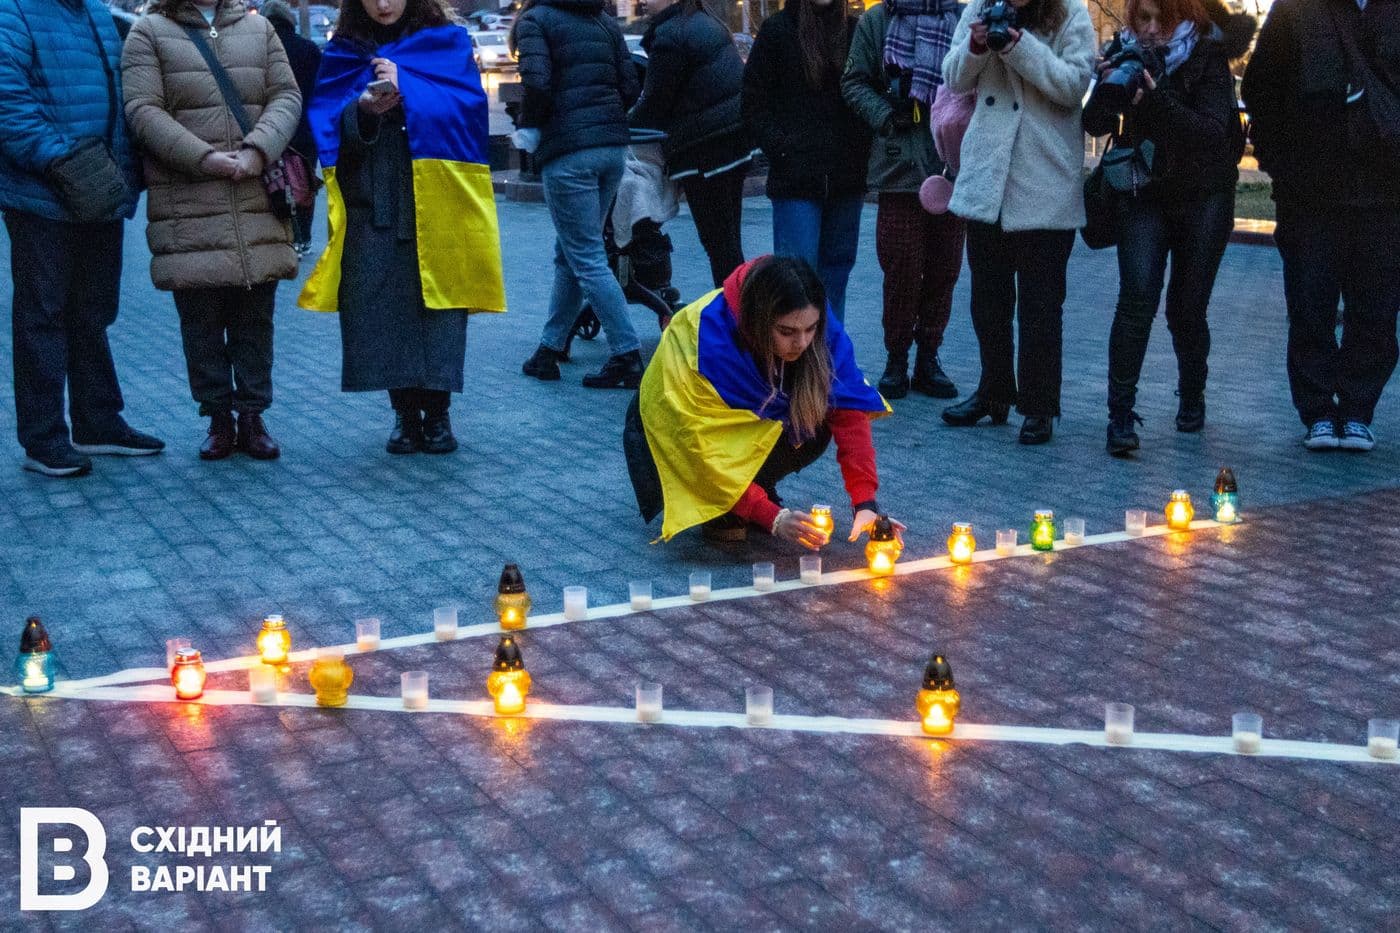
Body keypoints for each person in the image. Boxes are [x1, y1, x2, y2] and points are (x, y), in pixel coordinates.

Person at [298, 0, 506, 453]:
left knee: (440, 310)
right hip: (374, 200)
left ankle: (439, 414)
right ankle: (405, 415)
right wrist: (364, 111)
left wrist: (407, 85)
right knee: (382, 309)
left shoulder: (447, 43)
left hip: (440, 199)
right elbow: (326, 123)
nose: (383, 4)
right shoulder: (344, 51)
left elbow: (468, 110)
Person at [122, 0, 302, 461]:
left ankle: (253, 417)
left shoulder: (259, 29)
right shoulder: (149, 31)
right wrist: (204, 158)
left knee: (255, 321)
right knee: (200, 324)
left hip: (255, 198)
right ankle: (219, 418)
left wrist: (257, 150)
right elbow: (142, 110)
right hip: (188, 203)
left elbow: (286, 96)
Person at [624, 255, 901, 548]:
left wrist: (865, 502)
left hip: (742, 427)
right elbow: (696, 448)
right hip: (663, 437)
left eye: (811, 329)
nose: (801, 343)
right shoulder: (705, 339)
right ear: (758, 320)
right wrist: (769, 516)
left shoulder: (814, 320)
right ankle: (725, 507)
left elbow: (848, 410)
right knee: (720, 470)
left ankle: (751, 489)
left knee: (816, 421)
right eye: (786, 332)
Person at [0, 0, 164, 477]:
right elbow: (8, 102)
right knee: (43, 317)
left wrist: (119, 174)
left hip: (99, 188)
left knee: (93, 313)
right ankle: (43, 438)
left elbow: (119, 96)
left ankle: (98, 422)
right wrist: (62, 162)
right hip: (44, 193)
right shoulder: (13, 11)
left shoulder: (94, 11)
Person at [1084, 0, 1254, 455]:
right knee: (1136, 298)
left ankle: (1192, 393)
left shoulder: (1207, 56)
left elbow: (1212, 133)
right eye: (1143, 18)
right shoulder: (1126, 54)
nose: (1152, 28)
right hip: (1145, 192)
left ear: (1187, 16)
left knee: (1186, 308)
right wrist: (1106, 84)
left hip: (1204, 196)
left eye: (1164, 18)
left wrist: (1154, 99)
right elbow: (1093, 124)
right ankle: (1120, 416)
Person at [1242, 0, 1400, 453]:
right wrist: (1280, 163)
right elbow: (1261, 86)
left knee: (1376, 309)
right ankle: (1317, 411)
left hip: (1384, 190)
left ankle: (1357, 409)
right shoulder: (1297, 10)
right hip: (1311, 192)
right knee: (1310, 303)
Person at [939, 0, 1095, 444]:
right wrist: (975, 46)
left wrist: (1019, 48)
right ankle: (993, 392)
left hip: (1043, 176)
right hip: (989, 177)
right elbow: (953, 78)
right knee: (988, 302)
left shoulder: (1070, 13)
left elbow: (1073, 85)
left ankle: (1039, 406)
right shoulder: (980, 8)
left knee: (1040, 306)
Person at [513, 0, 646, 389]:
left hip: (569, 152)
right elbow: (630, 85)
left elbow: (537, 84)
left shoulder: (535, 20)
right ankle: (549, 348)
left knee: (586, 257)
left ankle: (626, 354)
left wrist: (530, 127)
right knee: (570, 251)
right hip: (611, 149)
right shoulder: (602, 19)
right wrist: (603, 119)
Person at [843, 0, 967, 400]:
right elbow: (854, 82)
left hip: (951, 165)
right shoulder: (879, 21)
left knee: (945, 268)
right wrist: (885, 113)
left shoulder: (962, 18)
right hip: (899, 166)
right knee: (901, 268)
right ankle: (896, 358)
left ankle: (929, 357)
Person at [743, 0, 870, 322]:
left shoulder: (855, 31)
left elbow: (869, 94)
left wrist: (861, 150)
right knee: (795, 281)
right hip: (796, 180)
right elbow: (753, 104)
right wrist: (783, 149)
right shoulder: (777, 31)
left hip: (847, 178)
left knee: (836, 276)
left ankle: (828, 350)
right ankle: (797, 352)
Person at [630, 0, 752, 289]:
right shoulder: (704, 20)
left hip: (704, 151)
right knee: (728, 242)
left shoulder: (671, 35)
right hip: (733, 141)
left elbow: (655, 102)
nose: (642, 1)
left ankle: (732, 309)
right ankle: (740, 304)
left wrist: (621, 125)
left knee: (718, 244)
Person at [260, 0, 323, 255]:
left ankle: (282, 234)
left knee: (274, 184)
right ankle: (303, 236)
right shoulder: (308, 49)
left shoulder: (261, 48)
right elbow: (320, 90)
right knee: (304, 184)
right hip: (306, 130)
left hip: (271, 129)